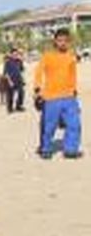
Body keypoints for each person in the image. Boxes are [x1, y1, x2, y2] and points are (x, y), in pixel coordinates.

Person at [34, 28, 83, 159]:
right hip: (51, 98)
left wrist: (74, 90)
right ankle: (46, 149)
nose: (62, 43)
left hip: (69, 97)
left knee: (74, 124)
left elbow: (73, 75)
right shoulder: (47, 56)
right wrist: (38, 90)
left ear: (69, 42)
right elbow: (39, 72)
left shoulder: (71, 57)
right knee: (49, 126)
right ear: (55, 41)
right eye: (59, 40)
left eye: (65, 41)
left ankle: (70, 150)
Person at [3, 48, 25, 113]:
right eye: (14, 54)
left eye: (16, 54)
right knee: (10, 95)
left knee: (21, 93)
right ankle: (10, 108)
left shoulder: (19, 61)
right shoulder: (8, 62)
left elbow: (22, 70)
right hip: (11, 81)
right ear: (11, 54)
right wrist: (10, 81)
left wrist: (22, 61)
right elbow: (5, 73)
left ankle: (18, 106)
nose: (15, 55)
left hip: (19, 80)